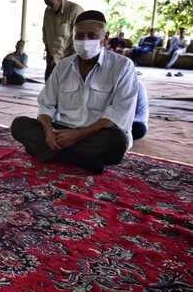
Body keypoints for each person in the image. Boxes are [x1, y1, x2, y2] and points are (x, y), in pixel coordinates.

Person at [11, 10, 137, 174]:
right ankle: (79, 159)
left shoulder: (123, 67)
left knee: (117, 140)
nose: (85, 41)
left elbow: (118, 114)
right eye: (80, 36)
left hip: (95, 133)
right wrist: (48, 130)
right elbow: (46, 104)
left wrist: (78, 135)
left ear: (105, 38)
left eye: (92, 36)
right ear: (73, 37)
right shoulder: (63, 66)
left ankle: (53, 153)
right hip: (61, 131)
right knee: (19, 125)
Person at [42, 0, 84, 81]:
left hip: (69, 60)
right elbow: (45, 33)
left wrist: (72, 59)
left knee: (66, 90)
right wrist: (48, 52)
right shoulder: (48, 11)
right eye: (46, 4)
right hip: (52, 59)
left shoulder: (74, 10)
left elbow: (80, 36)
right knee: (49, 89)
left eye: (51, 4)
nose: (48, 7)